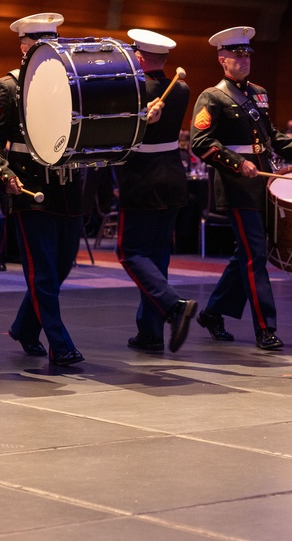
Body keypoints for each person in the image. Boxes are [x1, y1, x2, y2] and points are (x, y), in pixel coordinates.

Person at [190, 26, 292, 350]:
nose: (244, 60)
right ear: (222, 59)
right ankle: (265, 328)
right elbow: (201, 143)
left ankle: (213, 312)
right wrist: (235, 163)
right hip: (236, 185)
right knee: (254, 255)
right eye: (236, 55)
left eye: (247, 55)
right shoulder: (212, 96)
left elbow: (268, 135)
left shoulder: (258, 92)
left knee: (247, 253)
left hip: (263, 182)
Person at [0, 12, 85, 367]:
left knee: (59, 269)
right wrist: (3, 171)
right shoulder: (9, 86)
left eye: (51, 44)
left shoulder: (73, 84)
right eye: (38, 44)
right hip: (30, 187)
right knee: (42, 271)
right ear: (24, 48)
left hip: (69, 188)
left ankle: (26, 328)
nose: (46, 51)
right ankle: (60, 344)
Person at [117, 28, 197, 354]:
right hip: (173, 178)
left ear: (139, 56)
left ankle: (174, 305)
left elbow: (120, 131)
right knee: (157, 258)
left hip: (142, 180)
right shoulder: (181, 88)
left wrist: (138, 116)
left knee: (130, 252)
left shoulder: (133, 90)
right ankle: (150, 332)